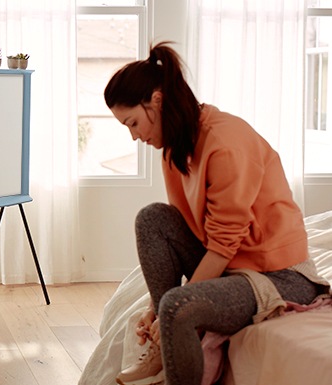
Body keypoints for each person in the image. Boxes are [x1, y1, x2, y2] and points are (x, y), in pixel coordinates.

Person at [104, 41, 331, 385]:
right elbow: (201, 233)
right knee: (152, 218)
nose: (135, 136)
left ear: (157, 100)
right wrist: (154, 313)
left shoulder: (225, 144)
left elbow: (223, 245)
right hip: (235, 265)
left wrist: (172, 309)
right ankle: (162, 346)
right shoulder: (175, 147)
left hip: (280, 276)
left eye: (133, 123)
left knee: (178, 307)